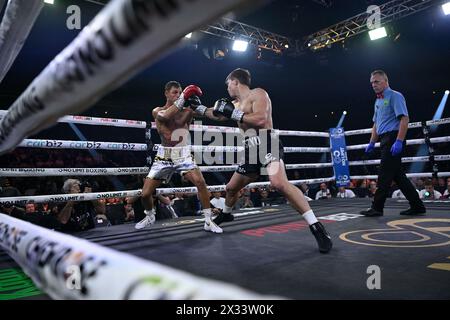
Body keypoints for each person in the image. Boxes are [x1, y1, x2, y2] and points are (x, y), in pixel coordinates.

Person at [190, 68, 332, 253]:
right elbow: (214, 113)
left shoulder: (258, 93)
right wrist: (197, 107)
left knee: (279, 183)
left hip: (267, 142)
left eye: (228, 85)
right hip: (250, 149)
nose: (227, 89)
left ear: (235, 82)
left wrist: (233, 114)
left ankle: (317, 227)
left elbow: (260, 119)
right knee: (231, 188)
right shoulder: (235, 104)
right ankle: (226, 214)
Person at [134, 81, 222, 233]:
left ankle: (208, 220)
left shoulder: (188, 111)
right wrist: (184, 97)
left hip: (183, 153)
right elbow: (166, 116)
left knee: (200, 182)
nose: (178, 95)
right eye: (175, 92)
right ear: (166, 93)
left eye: (180, 92)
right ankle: (149, 215)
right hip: (164, 155)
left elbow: (213, 115)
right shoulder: (158, 111)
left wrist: (224, 109)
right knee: (146, 194)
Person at [361, 70, 426, 216]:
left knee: (384, 174)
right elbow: (376, 125)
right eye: (372, 82)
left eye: (376, 81)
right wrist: (371, 143)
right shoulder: (378, 101)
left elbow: (404, 119)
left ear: (386, 81)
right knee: (399, 177)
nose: (373, 85)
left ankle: (377, 207)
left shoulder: (395, 96)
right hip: (384, 139)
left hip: (393, 138)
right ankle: (417, 206)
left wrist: (399, 141)